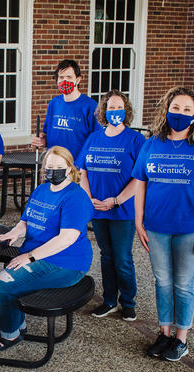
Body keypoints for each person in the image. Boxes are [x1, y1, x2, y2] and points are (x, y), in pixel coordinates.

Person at [132, 87, 194, 362]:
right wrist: (138, 221)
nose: (180, 113)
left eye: (187, 109)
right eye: (176, 108)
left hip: (191, 229)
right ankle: (164, 333)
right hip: (156, 227)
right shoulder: (152, 144)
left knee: (183, 285)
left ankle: (181, 339)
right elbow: (141, 183)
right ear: (166, 110)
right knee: (162, 281)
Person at [0, 146, 93, 351]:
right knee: (7, 283)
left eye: (59, 167)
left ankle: (10, 335)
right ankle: (17, 322)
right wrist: (15, 232)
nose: (53, 171)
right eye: (49, 167)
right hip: (39, 255)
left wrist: (30, 256)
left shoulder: (75, 197)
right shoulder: (42, 190)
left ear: (69, 169)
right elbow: (26, 220)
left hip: (65, 263)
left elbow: (66, 239)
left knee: (3, 285)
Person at [77, 90, 146, 322]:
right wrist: (88, 198)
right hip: (97, 208)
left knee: (122, 258)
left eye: (119, 107)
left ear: (126, 111)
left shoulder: (136, 140)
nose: (115, 111)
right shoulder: (94, 138)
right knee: (106, 256)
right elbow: (82, 171)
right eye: (111, 107)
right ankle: (109, 301)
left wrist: (116, 200)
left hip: (122, 210)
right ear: (103, 111)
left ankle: (128, 303)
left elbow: (140, 178)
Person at [31, 59, 98, 162]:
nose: (65, 81)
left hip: (77, 166)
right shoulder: (54, 103)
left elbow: (97, 141)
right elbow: (47, 136)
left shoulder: (90, 106)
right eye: (61, 77)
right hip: (54, 164)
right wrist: (42, 141)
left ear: (78, 80)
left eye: (69, 77)